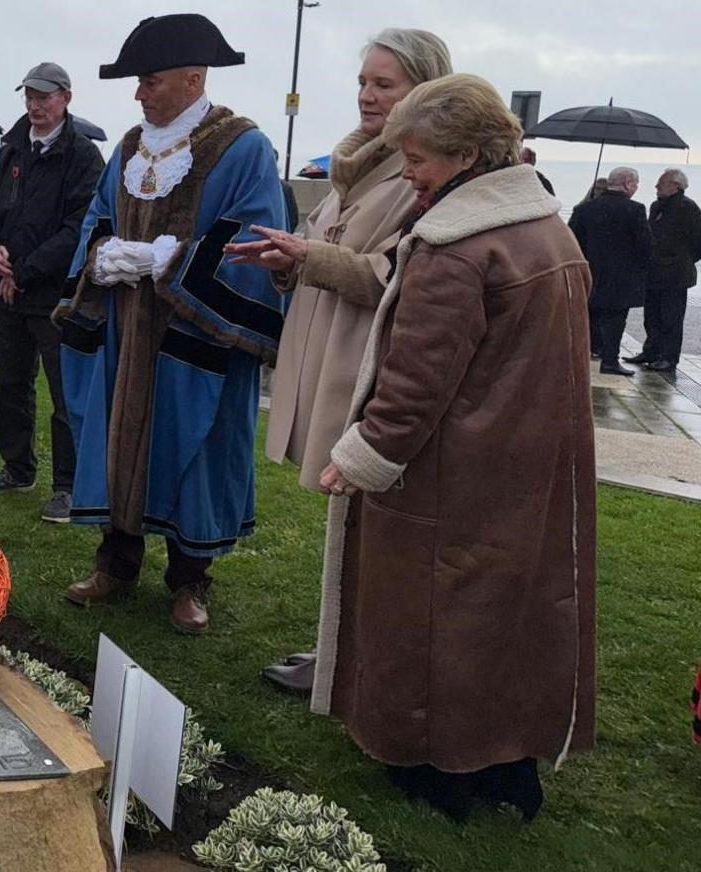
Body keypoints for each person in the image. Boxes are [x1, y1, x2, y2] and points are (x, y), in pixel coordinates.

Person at [314, 74, 595, 823]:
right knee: (506, 616)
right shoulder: (549, 231)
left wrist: (361, 457)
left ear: (468, 155)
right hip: (526, 466)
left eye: (417, 159)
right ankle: (507, 764)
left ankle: (434, 769)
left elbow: (415, 382)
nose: (408, 174)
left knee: (433, 618)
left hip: (449, 472)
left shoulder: (455, 247)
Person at [227, 27, 453, 695]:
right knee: (351, 520)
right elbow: (323, 247)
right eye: (363, 82)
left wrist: (311, 259)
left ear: (425, 90)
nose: (367, 96)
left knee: (372, 520)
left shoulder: (424, 176)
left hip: (371, 369)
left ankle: (354, 659)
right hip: (332, 350)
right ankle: (341, 651)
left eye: (384, 84)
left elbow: (402, 275)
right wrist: (287, 260)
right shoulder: (355, 167)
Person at [57, 15, 289, 634]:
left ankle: (191, 580)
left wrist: (172, 261)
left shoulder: (244, 147)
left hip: (196, 333)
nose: (139, 93)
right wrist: (103, 254)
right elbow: (98, 217)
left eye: (150, 81)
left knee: (196, 452)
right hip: (125, 329)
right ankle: (115, 563)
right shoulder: (128, 147)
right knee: (118, 440)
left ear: (193, 79)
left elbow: (257, 238)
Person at [0, 61, 104, 524]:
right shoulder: (11, 149)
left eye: (44, 97)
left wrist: (23, 271)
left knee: (65, 393)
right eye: (29, 96)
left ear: (66, 98)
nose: (35, 105)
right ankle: (17, 468)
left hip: (55, 298)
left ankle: (67, 487)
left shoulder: (83, 156)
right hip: (8, 293)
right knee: (10, 382)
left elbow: (79, 228)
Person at [570, 166, 652, 375]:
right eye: (635, 183)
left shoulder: (584, 209)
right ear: (627, 184)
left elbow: (571, 241)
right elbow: (645, 246)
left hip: (589, 274)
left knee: (587, 317)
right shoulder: (635, 210)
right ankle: (610, 360)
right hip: (621, 278)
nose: (636, 188)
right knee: (615, 321)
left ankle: (579, 358)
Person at [627, 169, 701, 372]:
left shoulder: (688, 207)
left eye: (662, 183)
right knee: (651, 315)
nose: (657, 186)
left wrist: (682, 258)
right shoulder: (656, 206)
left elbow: (697, 241)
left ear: (676, 186)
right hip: (654, 270)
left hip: (676, 274)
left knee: (671, 318)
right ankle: (651, 351)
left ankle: (669, 357)